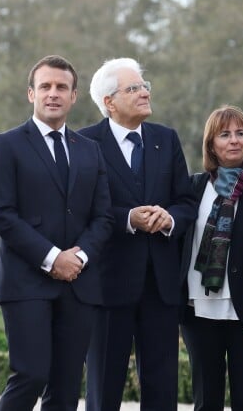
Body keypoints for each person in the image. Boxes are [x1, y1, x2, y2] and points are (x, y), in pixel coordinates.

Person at [0, 55, 113, 411]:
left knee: (67, 386)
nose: (52, 93)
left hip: (79, 283)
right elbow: (2, 216)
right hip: (26, 283)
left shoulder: (91, 151)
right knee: (30, 375)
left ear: (74, 96)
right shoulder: (5, 145)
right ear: (31, 94)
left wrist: (78, 258)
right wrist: (53, 258)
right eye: (45, 86)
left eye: (61, 87)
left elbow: (103, 217)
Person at [80, 57, 197, 411]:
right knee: (104, 384)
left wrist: (169, 218)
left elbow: (186, 200)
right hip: (107, 282)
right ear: (108, 102)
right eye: (133, 88)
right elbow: (81, 208)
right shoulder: (85, 143)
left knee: (162, 386)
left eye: (144, 85)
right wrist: (128, 218)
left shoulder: (166, 138)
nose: (144, 92)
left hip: (160, 282)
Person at [179, 105, 243, 411]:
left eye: (241, 133)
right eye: (225, 134)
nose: (235, 140)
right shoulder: (192, 188)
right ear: (211, 145)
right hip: (198, 307)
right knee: (206, 399)